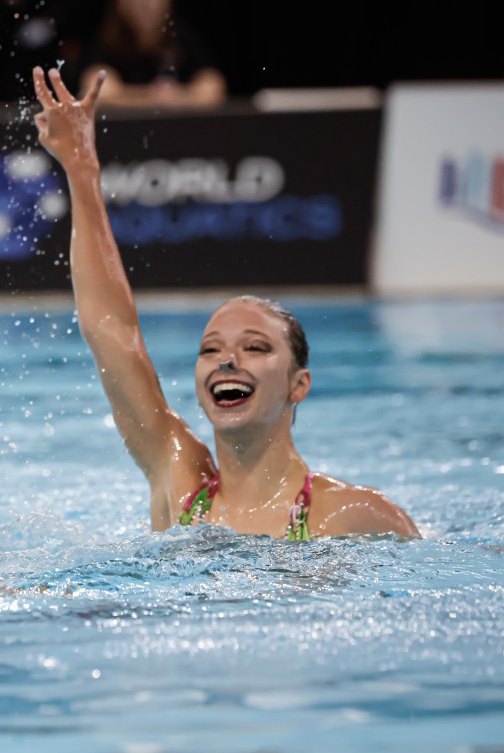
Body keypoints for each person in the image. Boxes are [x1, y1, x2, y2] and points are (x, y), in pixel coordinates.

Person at [30, 66, 418, 540]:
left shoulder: (348, 515)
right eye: (210, 350)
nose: (226, 360)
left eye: (256, 348)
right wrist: (81, 169)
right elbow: (111, 329)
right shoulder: (179, 481)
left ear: (299, 385)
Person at [78, 0, 225, 109]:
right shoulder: (107, 40)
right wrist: (151, 97)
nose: (148, 4)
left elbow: (213, 86)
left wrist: (176, 97)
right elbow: (98, 91)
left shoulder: (181, 37)